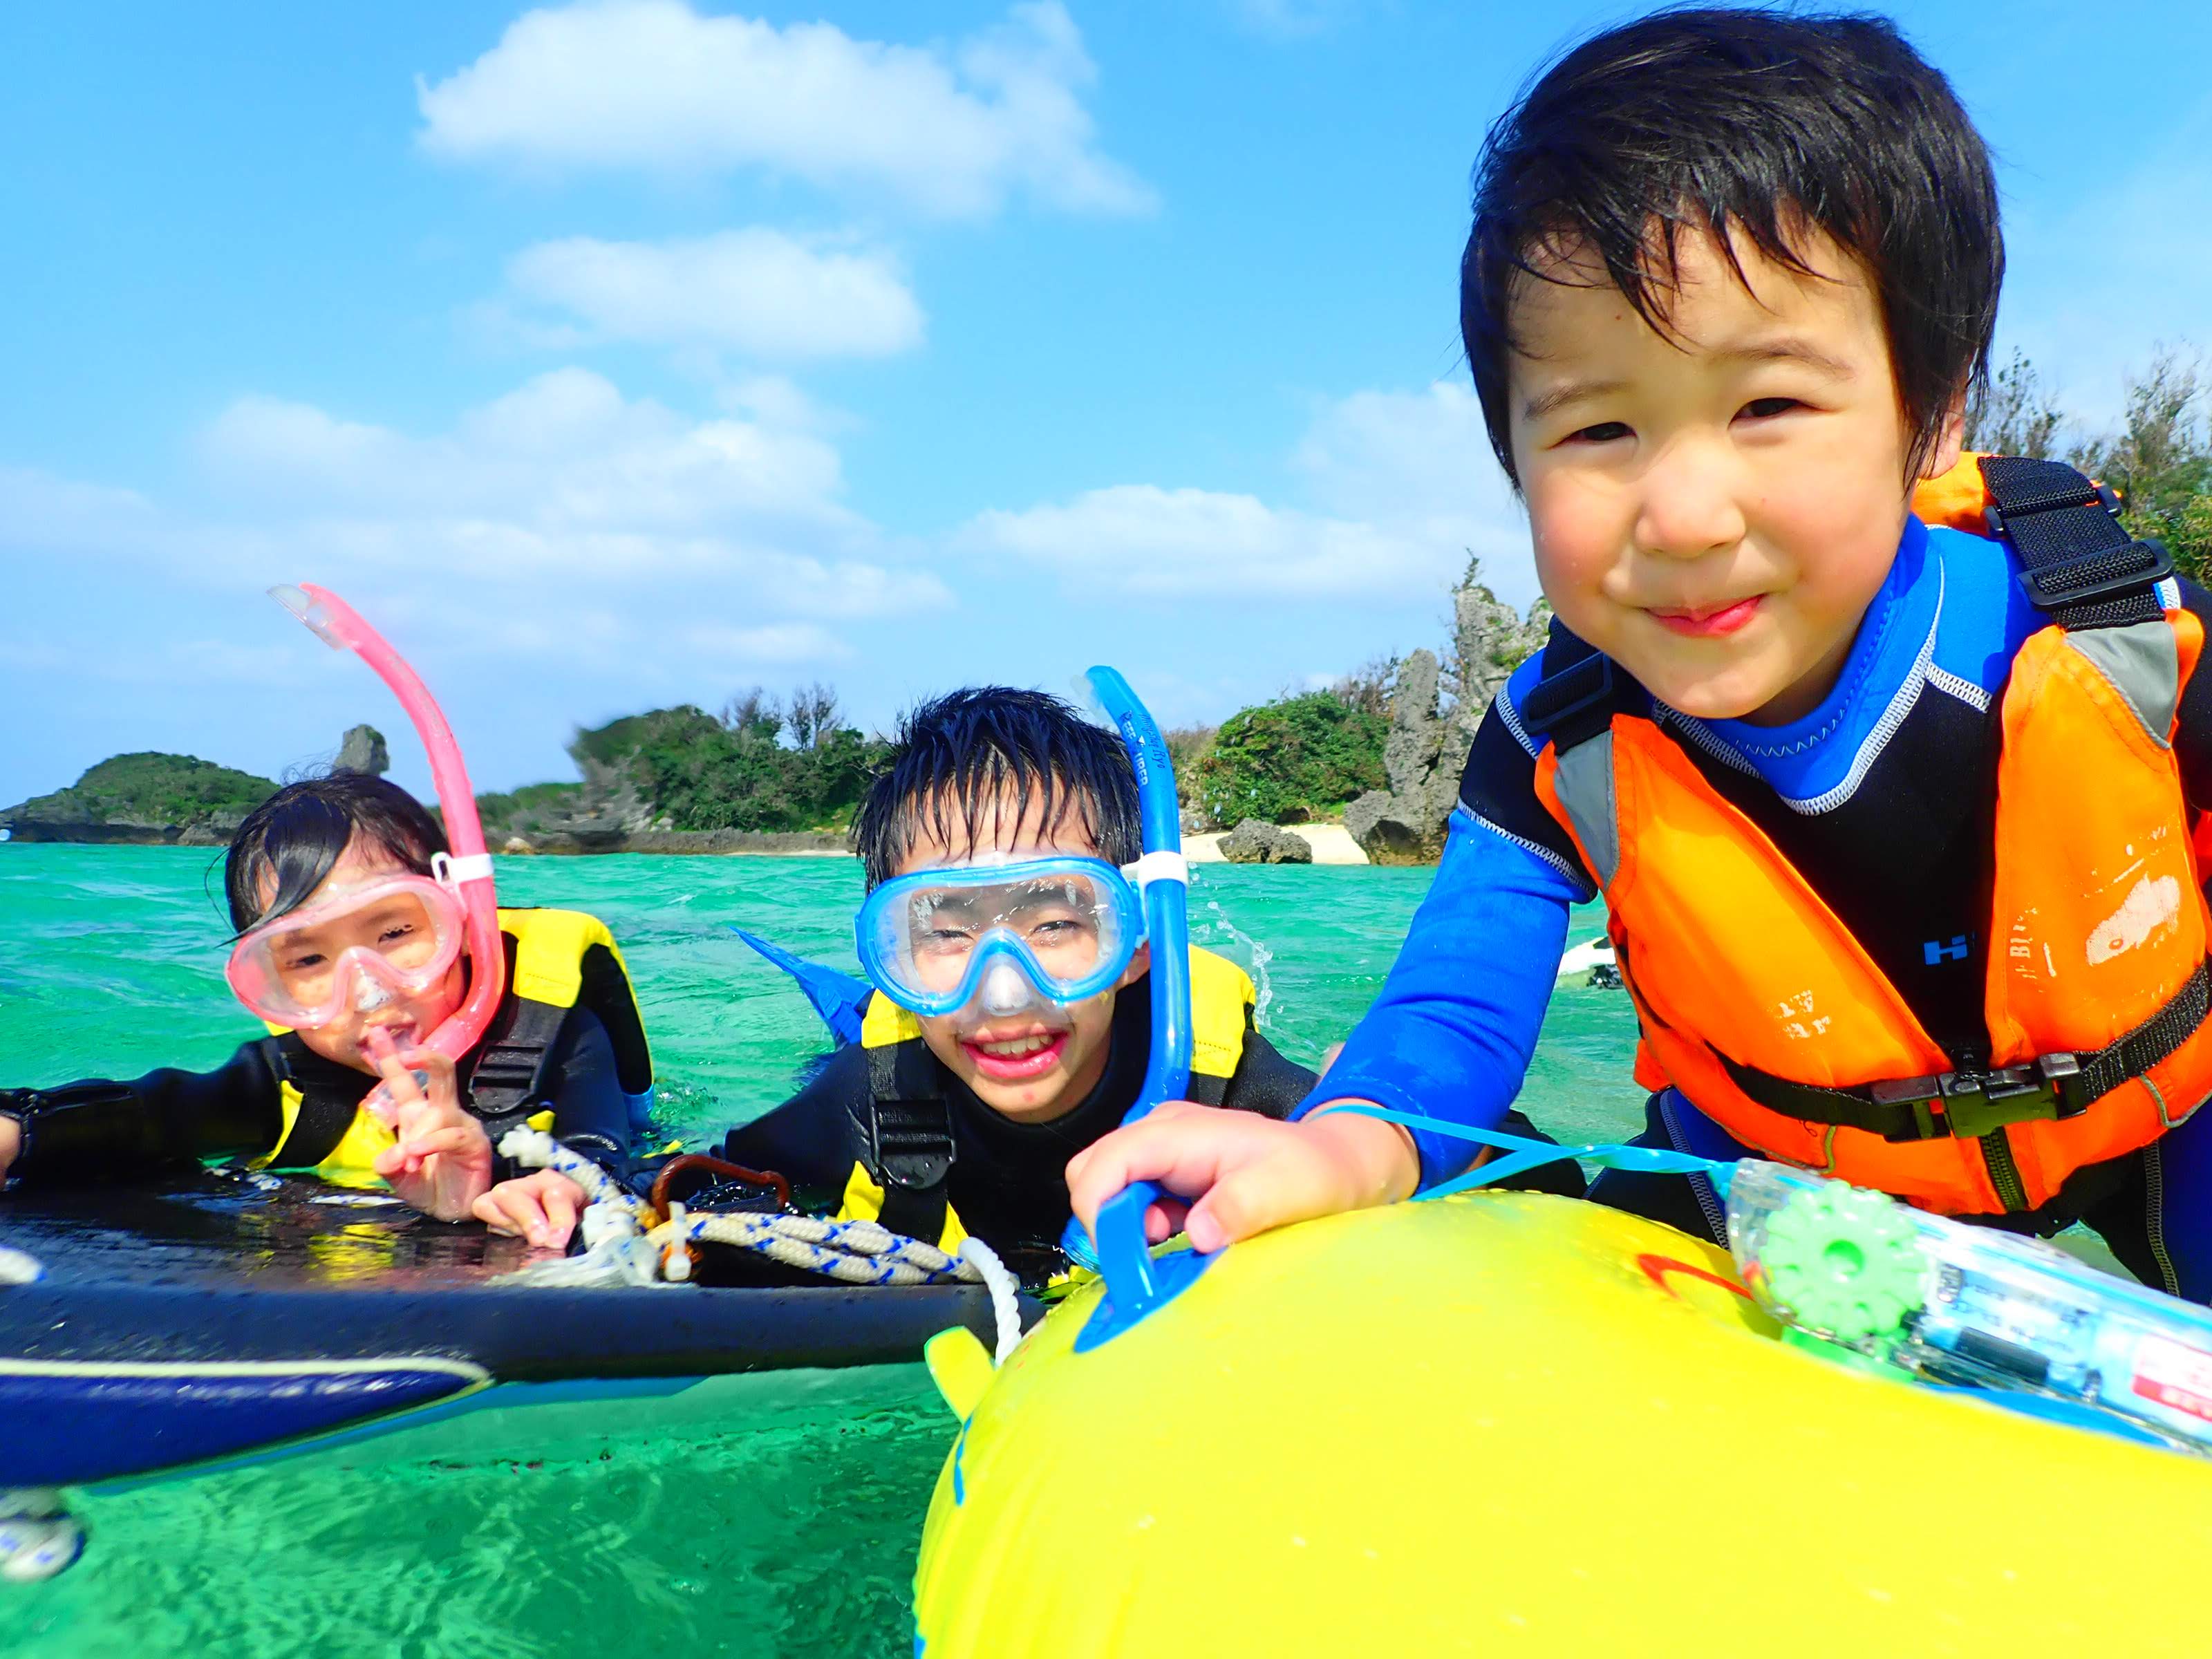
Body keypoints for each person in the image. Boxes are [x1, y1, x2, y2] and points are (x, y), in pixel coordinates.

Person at [1067, 7, 2212, 1299]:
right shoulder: (1559, 741)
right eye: (1600, 429)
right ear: (1513, 452)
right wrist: (1331, 1153)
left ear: (1934, 409)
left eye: (1768, 405)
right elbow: (1457, 1009)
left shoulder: (2107, 632)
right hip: (1779, 1170)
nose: (1681, 517)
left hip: (2174, 1125)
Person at [722, 686, 1576, 1275]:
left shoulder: (1228, 1088)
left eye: (1056, 923)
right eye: (943, 934)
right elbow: (695, 1192)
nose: (1002, 993)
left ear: (1136, 941)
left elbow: (1537, 1172)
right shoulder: (868, 1098)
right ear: (894, 959)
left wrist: (1373, 1126)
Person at [0, 771, 653, 1247]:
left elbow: (596, 1150)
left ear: (461, 920)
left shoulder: (556, 1033)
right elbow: (153, 1114)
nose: (370, 992)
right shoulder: (293, 1087)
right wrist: (22, 1133)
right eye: (308, 962)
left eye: (396, 934)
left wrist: (551, 1187)